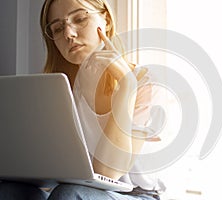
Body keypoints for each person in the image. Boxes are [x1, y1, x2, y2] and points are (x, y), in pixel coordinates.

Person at [0, 0, 165, 199]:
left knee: (70, 194)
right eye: (58, 28)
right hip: (76, 185)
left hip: (138, 194)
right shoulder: (59, 88)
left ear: (106, 20)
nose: (69, 34)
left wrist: (126, 88)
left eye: (80, 19)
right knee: (9, 190)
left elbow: (108, 173)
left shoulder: (142, 82)